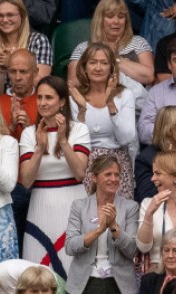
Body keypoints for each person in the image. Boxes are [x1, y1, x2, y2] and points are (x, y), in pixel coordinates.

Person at [17, 77, 87, 276]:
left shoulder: (79, 130)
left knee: (72, 266)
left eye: (49, 97)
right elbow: (27, 180)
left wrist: (63, 141)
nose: (42, 103)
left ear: (62, 101)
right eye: (39, 97)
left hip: (72, 202)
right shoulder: (30, 133)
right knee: (39, 269)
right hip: (41, 203)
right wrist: (40, 148)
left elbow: (80, 173)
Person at [66, 154, 139, 294]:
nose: (114, 179)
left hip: (118, 284)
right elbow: (70, 246)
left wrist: (113, 226)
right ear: (94, 177)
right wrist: (99, 230)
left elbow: (132, 250)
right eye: (108, 174)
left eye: (117, 175)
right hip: (85, 284)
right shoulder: (79, 206)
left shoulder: (130, 207)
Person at [71, 43, 138, 201]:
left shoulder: (125, 95)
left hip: (117, 164)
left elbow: (126, 138)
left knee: (120, 218)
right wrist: (82, 109)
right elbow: (75, 139)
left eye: (104, 63)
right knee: (89, 219)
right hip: (86, 163)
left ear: (111, 68)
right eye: (93, 62)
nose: (98, 68)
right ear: (84, 67)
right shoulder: (75, 97)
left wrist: (110, 104)